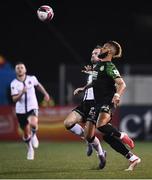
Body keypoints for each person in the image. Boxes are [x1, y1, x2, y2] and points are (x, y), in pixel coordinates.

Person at [74, 43, 141, 171]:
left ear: (109, 51)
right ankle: (133, 158)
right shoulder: (97, 66)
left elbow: (122, 84)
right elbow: (93, 82)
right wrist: (83, 88)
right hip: (96, 103)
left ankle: (122, 135)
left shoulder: (110, 66)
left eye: (104, 47)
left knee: (100, 125)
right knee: (106, 136)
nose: (102, 49)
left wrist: (117, 95)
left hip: (107, 101)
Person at [10, 62, 50, 160]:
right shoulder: (14, 84)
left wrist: (45, 93)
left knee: (33, 123)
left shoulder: (32, 79)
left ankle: (34, 135)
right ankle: (30, 149)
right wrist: (21, 93)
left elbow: (38, 85)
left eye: (21, 67)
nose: (20, 69)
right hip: (20, 110)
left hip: (32, 106)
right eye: (18, 68)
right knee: (26, 133)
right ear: (15, 71)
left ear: (25, 70)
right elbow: (14, 99)